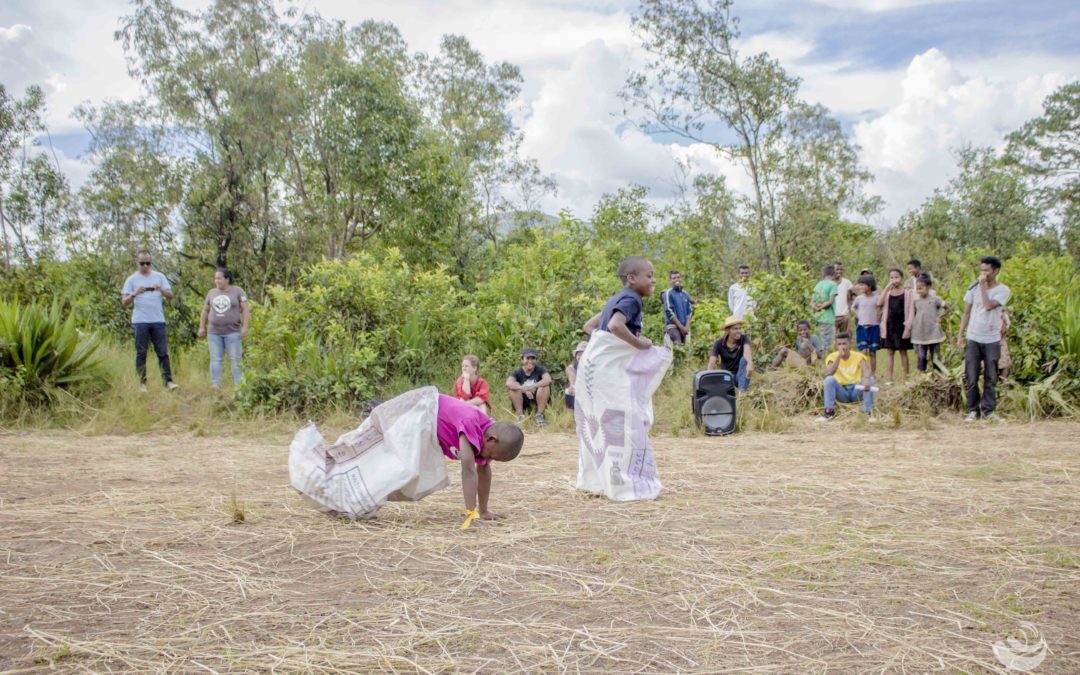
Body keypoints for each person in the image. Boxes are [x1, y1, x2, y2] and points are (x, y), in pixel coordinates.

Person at [579, 256, 670, 502]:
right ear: (632, 278)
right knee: (625, 423)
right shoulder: (631, 299)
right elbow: (615, 325)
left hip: (593, 370)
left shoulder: (616, 298)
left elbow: (591, 327)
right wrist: (640, 344)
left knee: (603, 425)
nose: (653, 280)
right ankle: (624, 482)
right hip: (605, 374)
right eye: (649, 275)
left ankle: (599, 481)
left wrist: (611, 347)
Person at [436, 394, 524, 526]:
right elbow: (468, 470)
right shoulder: (469, 422)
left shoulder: (489, 438)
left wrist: (483, 511)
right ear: (491, 439)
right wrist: (471, 516)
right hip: (420, 413)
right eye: (491, 455)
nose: (488, 459)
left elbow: (483, 469)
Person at [958, 256, 1010, 423]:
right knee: (971, 376)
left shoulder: (1003, 290)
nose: (983, 274)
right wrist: (960, 335)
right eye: (981, 270)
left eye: (987, 270)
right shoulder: (972, 288)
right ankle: (973, 410)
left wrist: (983, 287)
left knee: (991, 376)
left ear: (995, 271)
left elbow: (988, 306)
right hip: (973, 337)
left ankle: (989, 411)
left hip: (992, 339)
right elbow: (966, 312)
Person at [121, 250, 178, 393]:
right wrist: (134, 293)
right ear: (137, 262)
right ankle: (142, 384)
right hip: (140, 321)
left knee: (162, 352)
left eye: (148, 263)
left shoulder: (160, 277)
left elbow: (170, 295)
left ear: (151, 262)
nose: (145, 266)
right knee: (141, 353)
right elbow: (124, 302)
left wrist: (161, 290)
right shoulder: (131, 279)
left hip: (158, 320)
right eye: (142, 263)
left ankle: (168, 382)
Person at [197, 267, 249, 388]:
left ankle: (239, 386)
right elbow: (205, 310)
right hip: (214, 332)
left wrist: (245, 327)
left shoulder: (238, 291)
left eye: (219, 278)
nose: (217, 281)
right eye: (215, 278)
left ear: (227, 279)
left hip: (233, 332)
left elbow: (245, 309)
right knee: (215, 359)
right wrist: (201, 327)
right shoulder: (211, 292)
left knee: (236, 360)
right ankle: (216, 385)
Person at [816, 332, 876, 422]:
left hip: (856, 390)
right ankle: (829, 412)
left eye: (844, 343)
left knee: (870, 379)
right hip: (842, 391)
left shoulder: (858, 356)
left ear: (850, 344)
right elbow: (829, 372)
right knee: (829, 379)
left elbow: (866, 371)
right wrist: (839, 357)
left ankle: (868, 412)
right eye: (839, 344)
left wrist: (866, 380)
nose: (842, 346)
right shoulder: (832, 357)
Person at [877, 268, 913, 384]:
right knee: (890, 352)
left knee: (903, 351)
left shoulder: (908, 293)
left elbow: (911, 311)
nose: (894, 280)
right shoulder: (887, 293)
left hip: (902, 326)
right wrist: (887, 288)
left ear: (901, 278)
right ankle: (889, 379)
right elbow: (879, 303)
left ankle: (907, 377)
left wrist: (908, 327)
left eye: (896, 277)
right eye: (892, 277)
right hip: (889, 326)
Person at [910, 273, 949, 372]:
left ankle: (937, 374)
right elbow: (912, 314)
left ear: (928, 287)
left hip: (933, 330)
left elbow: (947, 308)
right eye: (917, 288)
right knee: (921, 355)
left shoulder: (935, 299)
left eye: (921, 288)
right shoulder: (916, 301)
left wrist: (940, 317)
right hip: (920, 330)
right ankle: (922, 373)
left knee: (935, 355)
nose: (919, 290)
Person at [506, 348, 552, 427]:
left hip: (538, 400)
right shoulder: (517, 372)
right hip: (522, 402)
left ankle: (539, 415)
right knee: (513, 387)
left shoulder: (541, 369)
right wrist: (522, 389)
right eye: (527, 358)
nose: (530, 361)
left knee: (545, 386)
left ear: (536, 360)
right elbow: (508, 383)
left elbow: (548, 380)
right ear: (522, 360)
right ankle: (521, 416)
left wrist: (531, 386)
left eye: (533, 358)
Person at [708, 316, 753, 391]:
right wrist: (708, 377)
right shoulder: (719, 343)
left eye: (739, 328)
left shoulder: (744, 338)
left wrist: (750, 364)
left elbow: (747, 352)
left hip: (740, 376)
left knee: (745, 360)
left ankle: (742, 393)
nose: (739, 331)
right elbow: (712, 362)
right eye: (735, 329)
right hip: (727, 377)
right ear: (728, 331)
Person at [850, 274, 881, 376]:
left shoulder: (876, 298)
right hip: (862, 327)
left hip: (874, 327)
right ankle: (864, 373)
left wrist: (879, 317)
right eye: (860, 285)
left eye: (863, 285)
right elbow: (853, 307)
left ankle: (872, 374)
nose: (861, 287)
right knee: (863, 351)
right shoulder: (859, 298)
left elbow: (882, 306)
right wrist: (858, 314)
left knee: (873, 352)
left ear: (870, 286)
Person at [661, 270, 694, 346]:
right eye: (674, 278)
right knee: (678, 348)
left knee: (687, 349)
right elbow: (669, 312)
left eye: (678, 277)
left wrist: (686, 327)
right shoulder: (668, 293)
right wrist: (681, 328)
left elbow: (689, 311)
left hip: (685, 327)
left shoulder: (685, 294)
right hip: (673, 327)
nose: (676, 279)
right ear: (670, 280)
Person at [811, 265, 839, 350]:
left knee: (820, 341)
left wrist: (817, 308)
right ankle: (826, 361)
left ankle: (821, 361)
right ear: (834, 274)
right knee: (828, 344)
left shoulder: (818, 285)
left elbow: (812, 302)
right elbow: (830, 302)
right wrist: (822, 307)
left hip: (818, 318)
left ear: (824, 274)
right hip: (828, 318)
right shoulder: (833, 284)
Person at [564, 341, 587, 410]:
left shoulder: (593, 365)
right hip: (578, 391)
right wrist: (572, 385)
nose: (579, 357)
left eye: (582, 354)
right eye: (578, 354)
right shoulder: (574, 364)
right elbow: (570, 370)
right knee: (569, 390)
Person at [833, 261, 855, 335]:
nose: (839, 271)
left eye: (841, 269)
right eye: (837, 269)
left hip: (844, 315)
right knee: (832, 340)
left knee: (845, 337)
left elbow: (853, 295)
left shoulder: (847, 282)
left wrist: (850, 308)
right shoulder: (829, 283)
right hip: (832, 316)